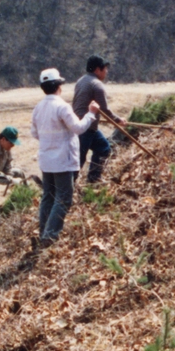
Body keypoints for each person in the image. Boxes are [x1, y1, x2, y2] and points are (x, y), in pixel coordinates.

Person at [30, 68, 100, 246]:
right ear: (58, 86)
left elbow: (34, 133)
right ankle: (49, 236)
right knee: (63, 198)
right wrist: (91, 113)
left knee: (48, 196)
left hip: (46, 161)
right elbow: (78, 128)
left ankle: (43, 232)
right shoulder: (62, 106)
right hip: (63, 160)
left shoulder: (38, 107)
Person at [74, 56, 124, 183]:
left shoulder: (81, 81)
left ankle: (93, 180)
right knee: (78, 161)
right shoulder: (97, 85)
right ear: (97, 70)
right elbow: (104, 110)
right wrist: (118, 120)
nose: (106, 71)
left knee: (103, 148)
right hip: (85, 128)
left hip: (81, 125)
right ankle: (65, 190)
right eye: (105, 69)